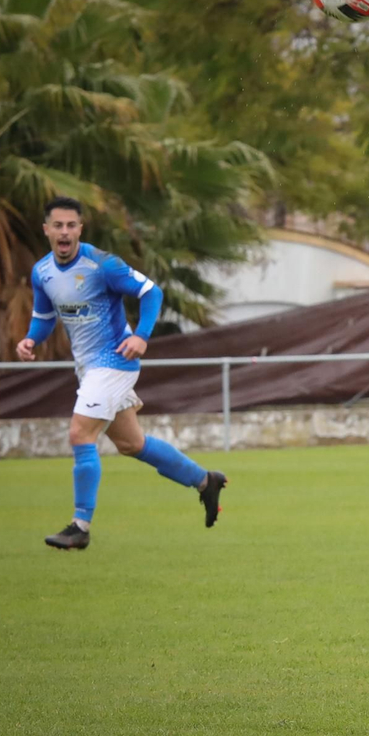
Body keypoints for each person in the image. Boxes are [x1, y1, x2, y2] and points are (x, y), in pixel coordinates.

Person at [16, 197, 226, 551]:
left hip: (114, 361)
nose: (64, 232)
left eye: (71, 225)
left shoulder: (102, 265)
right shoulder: (42, 272)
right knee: (132, 444)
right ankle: (205, 481)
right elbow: (45, 317)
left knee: (80, 432)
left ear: (80, 229)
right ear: (47, 230)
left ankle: (79, 526)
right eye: (58, 225)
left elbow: (151, 292)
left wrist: (142, 336)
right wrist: (29, 339)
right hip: (88, 368)